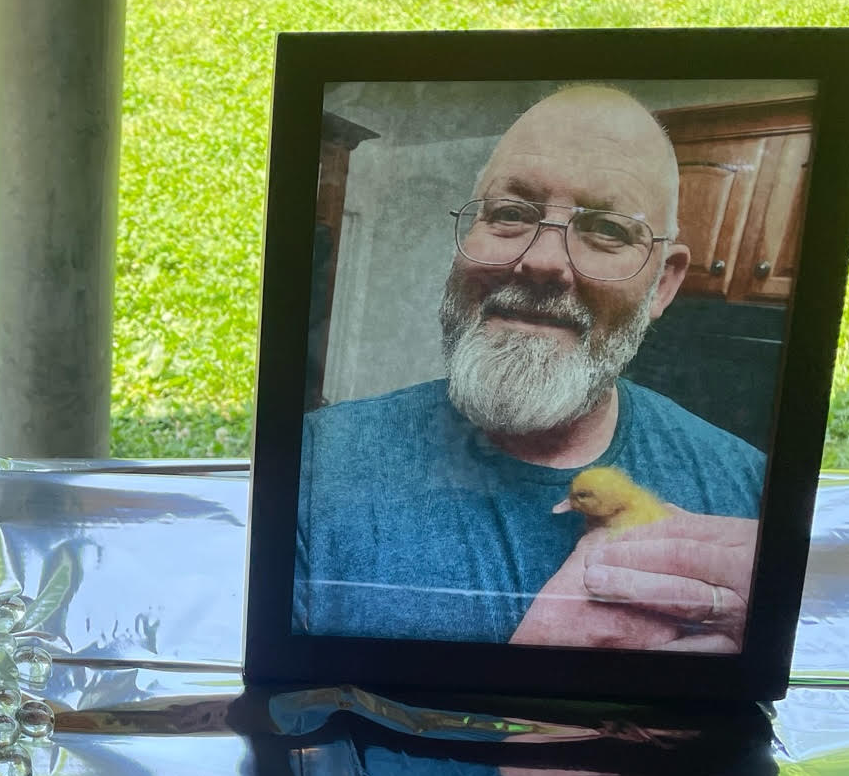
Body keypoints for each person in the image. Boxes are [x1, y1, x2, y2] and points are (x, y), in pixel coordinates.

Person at [295, 86, 765, 650]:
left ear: (663, 284)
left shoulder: (752, 491)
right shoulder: (310, 464)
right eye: (510, 214)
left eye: (608, 229)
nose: (542, 260)